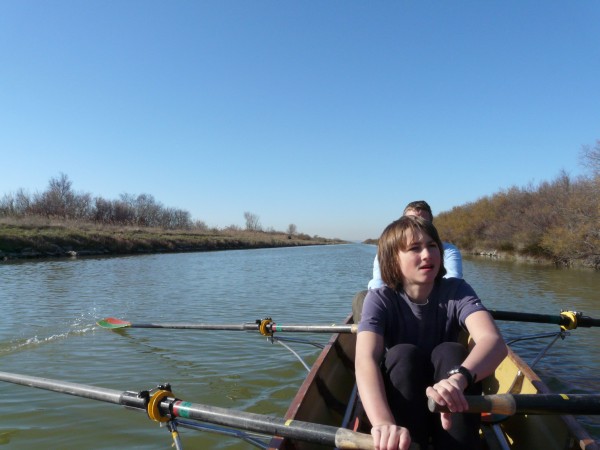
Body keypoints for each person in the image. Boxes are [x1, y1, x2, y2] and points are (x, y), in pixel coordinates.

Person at [356, 216, 507, 450]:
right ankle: (405, 440)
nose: (427, 254)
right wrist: (382, 422)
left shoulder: (457, 290)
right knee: (402, 354)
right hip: (403, 392)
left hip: (449, 391)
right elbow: (365, 360)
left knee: (451, 351)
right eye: (415, 248)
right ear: (392, 260)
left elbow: (493, 341)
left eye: (432, 245)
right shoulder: (379, 299)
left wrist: (459, 379)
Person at [368, 200, 462, 290]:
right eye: (410, 221)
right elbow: (378, 282)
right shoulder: (387, 251)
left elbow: (453, 280)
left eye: (423, 223)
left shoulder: (449, 251)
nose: (417, 226)